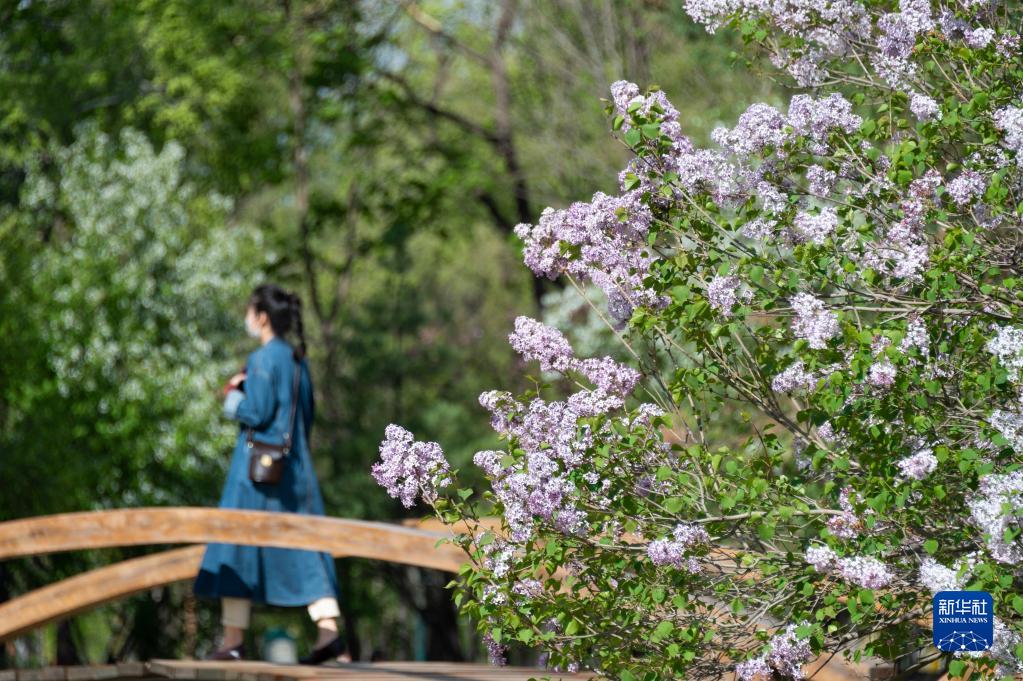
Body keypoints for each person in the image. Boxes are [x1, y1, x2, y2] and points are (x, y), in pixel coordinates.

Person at [193, 284, 349, 664]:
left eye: (251, 310)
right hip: (295, 473)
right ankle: (328, 635)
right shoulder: (299, 361)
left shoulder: (262, 359)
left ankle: (232, 640)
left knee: (235, 544)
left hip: (255, 477)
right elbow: (306, 418)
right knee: (306, 548)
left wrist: (233, 397)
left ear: (262, 316)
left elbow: (257, 412)